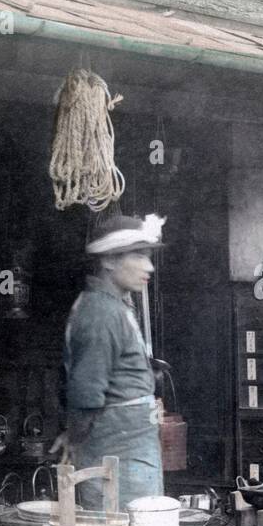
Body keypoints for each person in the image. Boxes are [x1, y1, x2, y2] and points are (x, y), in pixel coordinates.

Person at [60, 214, 167, 509]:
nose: (149, 266)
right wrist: (74, 437)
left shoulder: (115, 306)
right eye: (139, 256)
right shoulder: (99, 313)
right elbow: (86, 395)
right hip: (115, 452)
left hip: (132, 450)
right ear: (108, 261)